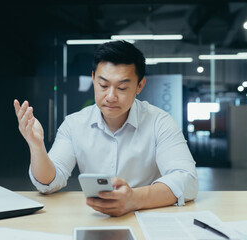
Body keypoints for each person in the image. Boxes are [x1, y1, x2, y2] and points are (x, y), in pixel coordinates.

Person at [13, 40, 198, 217]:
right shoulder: (74, 124)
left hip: (147, 217)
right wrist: (37, 147)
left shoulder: (160, 122)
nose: (110, 96)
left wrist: (134, 199)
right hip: (95, 218)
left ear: (139, 85)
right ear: (93, 79)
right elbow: (48, 183)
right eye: (103, 85)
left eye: (122, 88)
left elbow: (186, 179)